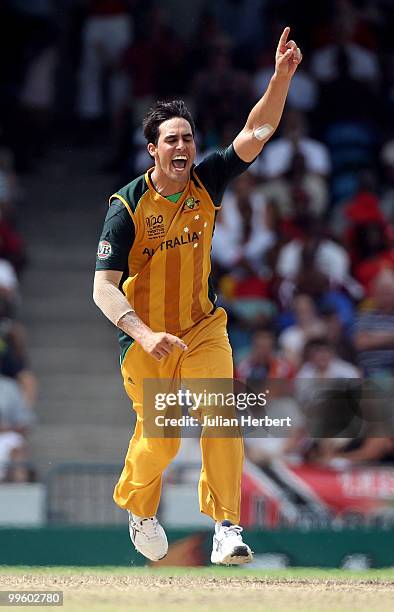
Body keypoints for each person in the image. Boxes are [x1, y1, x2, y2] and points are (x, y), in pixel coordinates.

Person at [93, 27, 302, 565]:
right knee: (160, 442)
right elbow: (102, 290)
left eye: (188, 137)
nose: (183, 146)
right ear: (153, 150)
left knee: (221, 413)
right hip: (145, 334)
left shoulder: (207, 181)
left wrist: (279, 78)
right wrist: (143, 333)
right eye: (172, 140)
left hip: (202, 326)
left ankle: (227, 526)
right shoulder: (128, 206)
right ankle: (139, 508)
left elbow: (257, 129)